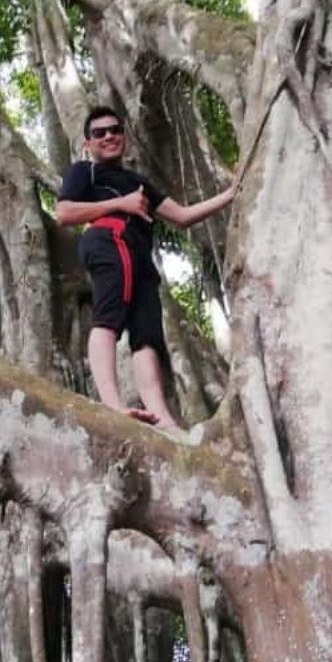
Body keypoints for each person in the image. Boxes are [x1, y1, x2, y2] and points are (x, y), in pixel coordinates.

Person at [56, 106, 235, 429]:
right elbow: (65, 212)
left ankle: (160, 416)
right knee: (109, 316)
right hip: (109, 239)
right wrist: (119, 204)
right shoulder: (85, 172)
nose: (109, 136)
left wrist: (232, 194)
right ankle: (111, 404)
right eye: (99, 133)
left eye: (115, 130)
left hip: (141, 255)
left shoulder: (139, 182)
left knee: (147, 334)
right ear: (88, 143)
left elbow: (182, 217)